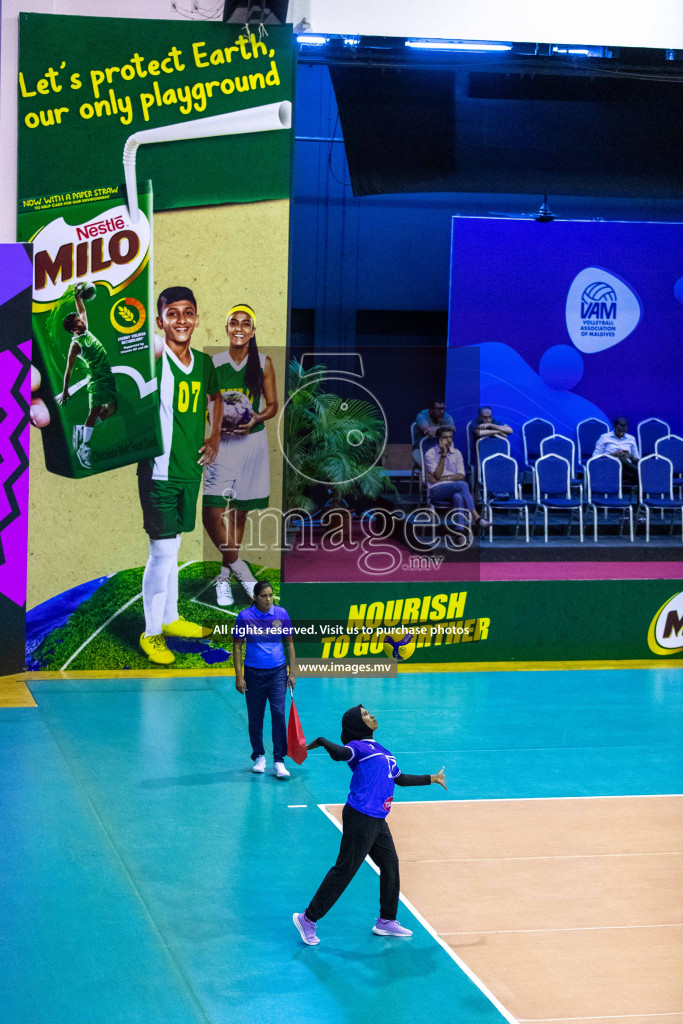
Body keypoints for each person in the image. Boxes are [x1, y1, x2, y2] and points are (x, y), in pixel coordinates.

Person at [293, 705, 446, 946]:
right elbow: (340, 754)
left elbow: (399, 779)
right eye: (365, 715)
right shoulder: (357, 747)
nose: (371, 715)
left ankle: (386, 921)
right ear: (356, 724)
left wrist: (432, 779)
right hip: (360, 816)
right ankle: (307, 918)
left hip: (377, 818)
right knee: (345, 870)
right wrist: (323, 741)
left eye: (369, 712)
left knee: (390, 865)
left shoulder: (382, 750)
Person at [137, 286, 222, 666]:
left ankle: (170, 618)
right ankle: (152, 632)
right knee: (163, 551)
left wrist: (215, 435)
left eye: (189, 312)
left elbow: (216, 400)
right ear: (161, 321)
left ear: (197, 318)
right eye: (173, 313)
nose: (182, 320)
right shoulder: (154, 357)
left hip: (190, 470)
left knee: (174, 547)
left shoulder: (203, 363)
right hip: (158, 472)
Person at [202, 304, 278, 607]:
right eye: (233, 322)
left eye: (246, 324)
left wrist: (255, 418)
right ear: (226, 328)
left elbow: (271, 405)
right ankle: (240, 569)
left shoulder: (263, 363)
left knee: (238, 513)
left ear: (253, 331)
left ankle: (223, 578)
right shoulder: (212, 363)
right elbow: (202, 403)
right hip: (222, 445)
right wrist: (211, 432)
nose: (239, 328)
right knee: (213, 511)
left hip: (251, 444)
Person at [232, 580, 296, 779]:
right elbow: (237, 646)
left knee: (278, 713)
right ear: (255, 597)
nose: (268, 599)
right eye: (264, 596)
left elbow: (290, 644)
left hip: (277, 673)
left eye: (271, 595)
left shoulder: (281, 613)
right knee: (255, 717)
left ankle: (279, 760)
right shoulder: (244, 616)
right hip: (253, 675)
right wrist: (239, 676)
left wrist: (291, 672)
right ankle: (259, 756)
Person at [57, 283, 118, 469]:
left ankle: (83, 431)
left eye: (80, 320)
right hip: (97, 380)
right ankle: (85, 447)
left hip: (107, 376)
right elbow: (68, 369)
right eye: (77, 322)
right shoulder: (76, 344)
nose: (81, 321)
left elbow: (81, 308)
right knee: (93, 413)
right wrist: (65, 390)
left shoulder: (86, 328)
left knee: (112, 409)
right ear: (73, 330)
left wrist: (77, 295)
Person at [424, 426, 490, 530]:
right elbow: (437, 476)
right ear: (439, 439)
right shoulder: (430, 454)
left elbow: (461, 475)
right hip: (436, 491)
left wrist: (442, 478)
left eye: (450, 437)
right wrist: (444, 455)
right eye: (445, 437)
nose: (449, 440)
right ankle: (476, 517)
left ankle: (459, 532)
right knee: (462, 484)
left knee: (458, 497)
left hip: (453, 488)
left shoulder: (457, 453)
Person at [593, 417, 640, 483]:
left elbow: (638, 460)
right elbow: (594, 457)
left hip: (627, 469)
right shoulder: (604, 437)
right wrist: (612, 455)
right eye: (619, 431)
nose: (621, 434)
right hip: (609, 466)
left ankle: (628, 465)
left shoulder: (631, 439)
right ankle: (641, 473)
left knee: (624, 460)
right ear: (614, 427)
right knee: (622, 460)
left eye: (624, 431)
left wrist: (630, 456)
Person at [412, 399, 454, 464]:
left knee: (452, 463)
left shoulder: (446, 415)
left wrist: (434, 430)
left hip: (441, 448)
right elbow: (426, 429)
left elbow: (453, 428)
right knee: (430, 467)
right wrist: (446, 428)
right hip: (421, 449)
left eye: (443, 409)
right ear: (431, 410)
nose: (442, 411)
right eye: (439, 409)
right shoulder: (422, 416)